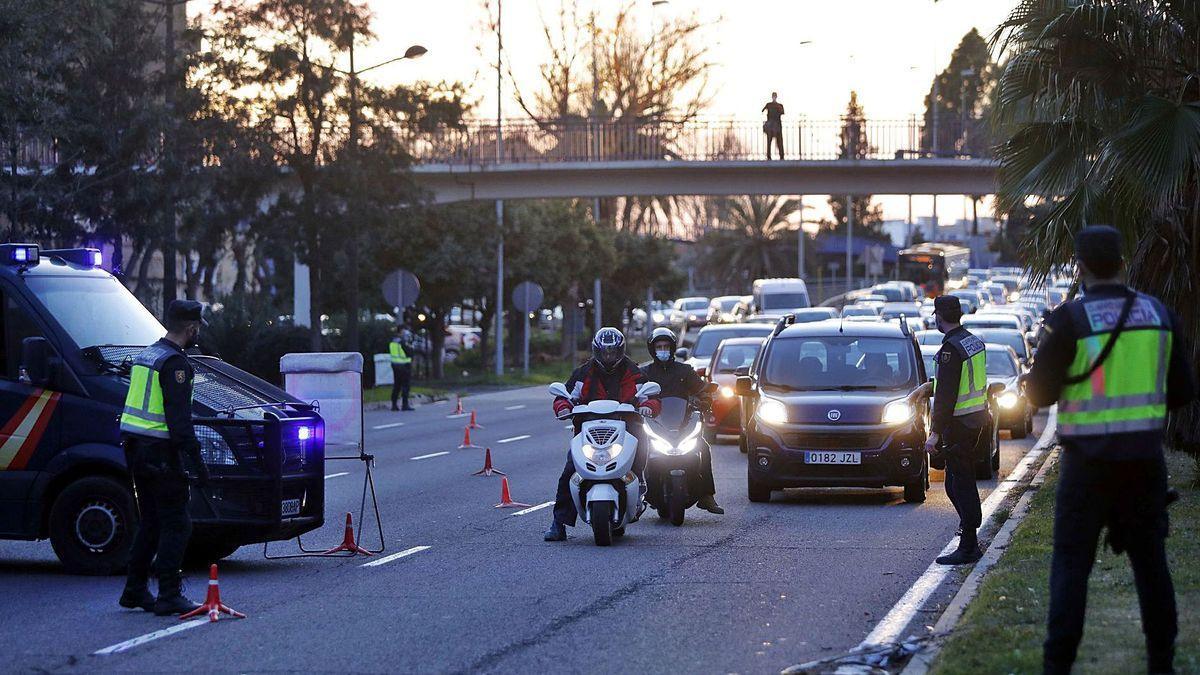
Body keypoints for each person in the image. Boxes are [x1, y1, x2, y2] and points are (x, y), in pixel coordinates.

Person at [1025, 225, 1196, 675]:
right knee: (1151, 565)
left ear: (1079, 267)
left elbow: (1039, 397)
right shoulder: (1159, 314)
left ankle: (1057, 664)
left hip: (1087, 466)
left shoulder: (1068, 321)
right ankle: (1162, 662)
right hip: (1144, 463)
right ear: (1122, 263)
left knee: (1071, 566)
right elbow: (1181, 393)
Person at [118, 300, 208, 616]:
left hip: (135, 450)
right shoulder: (176, 365)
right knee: (177, 524)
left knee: (152, 522)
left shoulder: (149, 354)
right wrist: (196, 461)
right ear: (191, 327)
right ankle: (169, 594)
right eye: (198, 327)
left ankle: (135, 589)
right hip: (161, 454)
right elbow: (179, 420)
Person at [544, 327, 661, 542]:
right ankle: (558, 523)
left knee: (642, 442)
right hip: (588, 429)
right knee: (570, 471)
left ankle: (639, 478)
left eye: (613, 352)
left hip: (626, 426)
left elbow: (649, 394)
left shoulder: (633, 372)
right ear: (597, 351)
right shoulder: (583, 373)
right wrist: (562, 406)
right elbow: (566, 396)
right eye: (605, 352)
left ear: (621, 351)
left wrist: (648, 405)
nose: (609, 357)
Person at [924, 295, 989, 566]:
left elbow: (947, 396)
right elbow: (954, 383)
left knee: (959, 484)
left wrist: (934, 433)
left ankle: (969, 544)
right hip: (976, 421)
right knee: (955, 483)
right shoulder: (972, 341)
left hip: (959, 425)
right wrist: (924, 388)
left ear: (940, 315)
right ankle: (968, 535)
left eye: (935, 315)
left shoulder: (950, 349)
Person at [639, 327, 723, 514]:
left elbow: (701, 389)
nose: (663, 350)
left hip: (683, 424)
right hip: (655, 424)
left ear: (673, 348)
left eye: (666, 346)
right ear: (653, 350)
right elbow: (634, 392)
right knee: (637, 448)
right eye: (659, 346)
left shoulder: (685, 370)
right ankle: (637, 497)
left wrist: (705, 399)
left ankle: (706, 496)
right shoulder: (644, 373)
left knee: (703, 448)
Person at [390, 324, 414, 411]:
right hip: (404, 365)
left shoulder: (393, 341)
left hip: (395, 365)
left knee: (397, 385)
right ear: (401, 331)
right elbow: (409, 353)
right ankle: (405, 405)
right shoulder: (403, 341)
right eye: (405, 330)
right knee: (405, 386)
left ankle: (394, 405)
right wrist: (410, 346)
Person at [761, 92, 785, 160]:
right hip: (772, 126)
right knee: (770, 141)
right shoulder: (770, 105)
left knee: (779, 141)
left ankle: (781, 155)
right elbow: (762, 110)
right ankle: (769, 156)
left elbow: (782, 112)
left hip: (776, 126)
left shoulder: (778, 105)